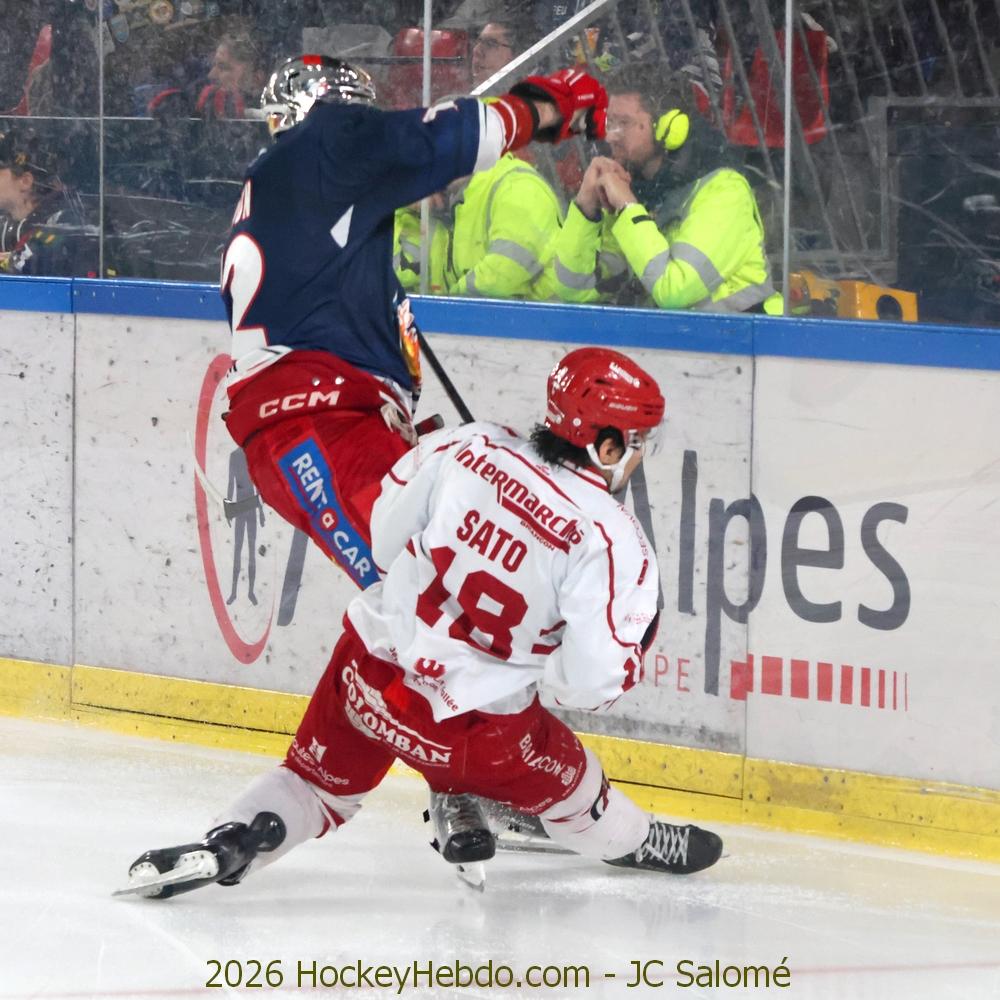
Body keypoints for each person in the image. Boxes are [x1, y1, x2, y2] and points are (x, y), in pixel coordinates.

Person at [121, 347, 724, 898]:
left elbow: (385, 540)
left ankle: (230, 844)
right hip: (478, 735)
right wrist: (548, 653)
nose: (638, 457)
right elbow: (588, 685)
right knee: (580, 789)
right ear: (607, 448)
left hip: (368, 673)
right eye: (637, 443)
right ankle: (636, 838)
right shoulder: (612, 541)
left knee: (314, 786)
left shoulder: (472, 446)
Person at [218, 54, 608, 589]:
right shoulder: (326, 141)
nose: (367, 125)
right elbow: (440, 138)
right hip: (323, 425)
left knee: (422, 602)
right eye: (359, 114)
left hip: (318, 423)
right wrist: (543, 108)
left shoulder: (302, 202)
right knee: (427, 601)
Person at [550, 66, 782, 313]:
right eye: (610, 122)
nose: (610, 137)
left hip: (744, 335)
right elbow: (574, 289)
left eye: (624, 123)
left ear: (668, 127)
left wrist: (629, 208)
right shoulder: (634, 191)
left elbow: (674, 290)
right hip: (674, 337)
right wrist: (585, 210)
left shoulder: (725, 191)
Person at [440, 151, 564, 299]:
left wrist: (448, 305)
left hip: (549, 311)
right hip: (510, 312)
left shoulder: (517, 186)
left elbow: (503, 274)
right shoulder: (464, 200)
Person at [0, 127, 95, 277]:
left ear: (25, 181)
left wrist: (9, 261)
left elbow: (29, 272)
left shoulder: (64, 223)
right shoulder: (7, 221)